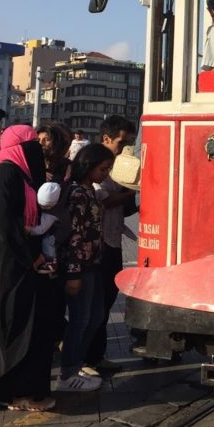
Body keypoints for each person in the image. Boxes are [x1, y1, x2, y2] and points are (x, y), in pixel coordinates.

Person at [0, 126, 61, 412]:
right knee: (13, 325)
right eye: (31, 144)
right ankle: (11, 391)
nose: (37, 149)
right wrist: (29, 257)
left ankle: (24, 389)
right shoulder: (6, 173)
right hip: (9, 261)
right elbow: (4, 223)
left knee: (28, 324)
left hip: (22, 259)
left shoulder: (22, 175)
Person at [56, 143, 114, 393]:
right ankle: (67, 372)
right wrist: (74, 273)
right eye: (103, 169)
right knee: (80, 319)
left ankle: (76, 363)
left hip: (94, 264)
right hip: (80, 266)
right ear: (88, 166)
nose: (106, 174)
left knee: (95, 317)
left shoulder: (90, 190)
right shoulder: (78, 193)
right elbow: (75, 236)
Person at [82, 116, 137, 376]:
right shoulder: (95, 163)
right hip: (98, 246)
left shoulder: (118, 166)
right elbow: (100, 197)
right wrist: (129, 193)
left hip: (113, 242)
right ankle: (85, 359)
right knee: (94, 306)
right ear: (106, 139)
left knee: (105, 303)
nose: (126, 148)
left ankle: (97, 355)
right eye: (121, 142)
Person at [29, 181, 62, 275]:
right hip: (57, 229)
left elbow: (41, 229)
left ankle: (50, 261)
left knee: (48, 242)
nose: (42, 208)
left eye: (46, 206)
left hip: (58, 233)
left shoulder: (53, 214)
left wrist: (29, 230)